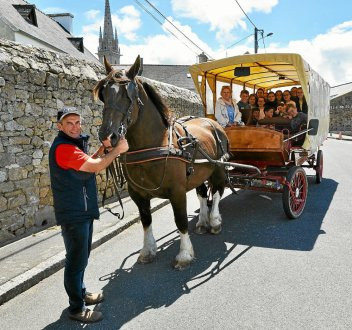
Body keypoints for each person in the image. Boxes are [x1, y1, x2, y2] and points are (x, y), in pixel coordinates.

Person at [49, 107, 129, 323]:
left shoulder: (72, 146)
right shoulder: (64, 148)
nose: (75, 127)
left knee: (81, 258)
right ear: (60, 126)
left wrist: (103, 149)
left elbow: (87, 163)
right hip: (74, 213)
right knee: (76, 261)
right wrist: (116, 151)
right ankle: (76, 308)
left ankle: (81, 293)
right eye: (69, 123)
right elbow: (94, 167)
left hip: (81, 210)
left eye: (77, 122)